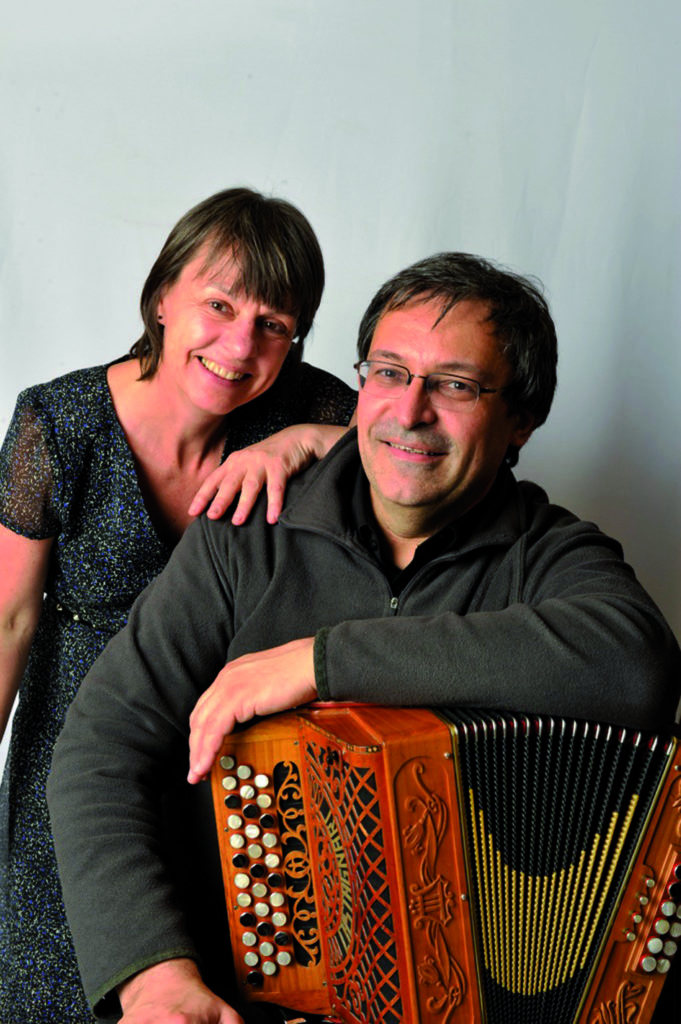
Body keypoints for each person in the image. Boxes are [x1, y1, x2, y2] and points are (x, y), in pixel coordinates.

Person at [47, 253, 681, 1024]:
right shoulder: (244, 535)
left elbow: (637, 668)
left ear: (521, 417)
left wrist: (321, 663)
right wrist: (152, 977)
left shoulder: (551, 555)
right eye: (387, 372)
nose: (408, 411)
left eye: (454, 385)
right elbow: (99, 754)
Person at [0, 187, 356, 1023]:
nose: (240, 344)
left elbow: (419, 450)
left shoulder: (311, 407)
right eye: (219, 305)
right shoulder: (60, 422)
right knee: (58, 988)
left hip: (237, 756)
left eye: (273, 324)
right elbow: (9, 618)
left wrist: (302, 441)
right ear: (162, 298)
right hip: (81, 750)